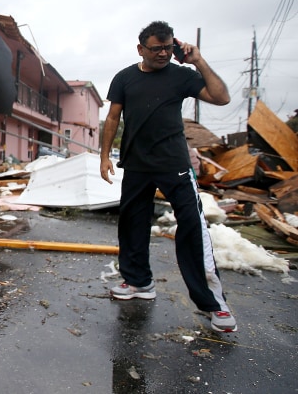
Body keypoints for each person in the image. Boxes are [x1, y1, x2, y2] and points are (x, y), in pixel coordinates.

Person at [99, 21, 237, 333]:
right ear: (141, 49)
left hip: (173, 163)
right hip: (136, 163)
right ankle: (138, 282)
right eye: (156, 48)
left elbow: (221, 97)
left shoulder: (182, 75)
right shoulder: (124, 77)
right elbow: (112, 117)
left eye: (167, 47)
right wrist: (105, 155)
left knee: (192, 226)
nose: (163, 53)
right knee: (132, 223)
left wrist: (198, 60)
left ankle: (215, 304)